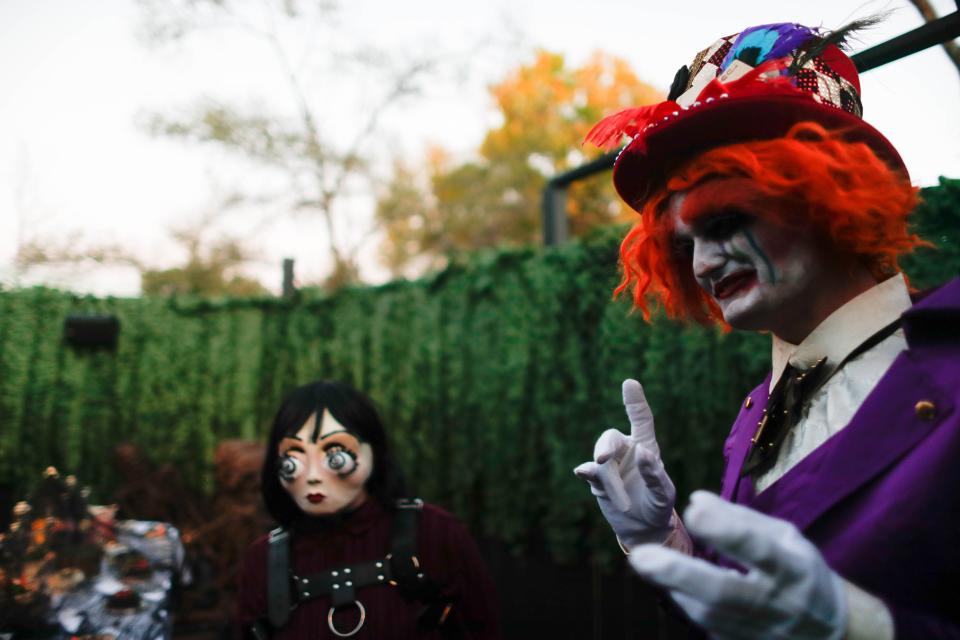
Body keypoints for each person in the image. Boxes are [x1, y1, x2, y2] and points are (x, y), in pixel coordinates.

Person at [574, 21, 960, 639]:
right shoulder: (757, 414)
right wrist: (670, 549)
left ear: (829, 194)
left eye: (724, 219)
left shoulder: (951, 371)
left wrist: (862, 629)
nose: (701, 265)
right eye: (684, 244)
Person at [237, 380, 500, 639]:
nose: (312, 475)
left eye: (335, 454)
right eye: (293, 459)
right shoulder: (263, 560)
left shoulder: (435, 533)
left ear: (373, 450)